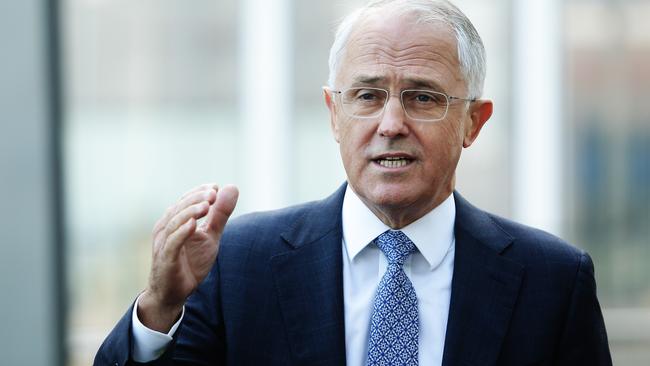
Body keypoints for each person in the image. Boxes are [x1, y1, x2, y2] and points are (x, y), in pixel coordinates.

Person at [94, 0, 612, 365]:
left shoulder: (553, 282)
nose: (390, 124)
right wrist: (159, 309)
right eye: (366, 96)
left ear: (473, 123)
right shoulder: (236, 265)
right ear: (333, 114)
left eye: (422, 97)